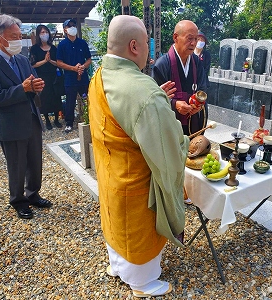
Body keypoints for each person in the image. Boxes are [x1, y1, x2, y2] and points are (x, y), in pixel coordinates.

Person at [88, 15, 189, 297]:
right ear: (134, 46)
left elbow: (125, 115)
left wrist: (154, 99)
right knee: (137, 230)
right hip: (136, 182)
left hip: (110, 174)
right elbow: (166, 150)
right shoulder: (142, 90)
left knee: (116, 224)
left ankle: (119, 267)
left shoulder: (100, 76)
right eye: (147, 42)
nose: (148, 48)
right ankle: (141, 281)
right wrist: (183, 142)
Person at [0, 14, 52, 219]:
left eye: (19, 35)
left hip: (31, 117)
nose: (18, 40)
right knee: (17, 165)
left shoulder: (21, 59)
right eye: (13, 36)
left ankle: (33, 193)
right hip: (10, 123)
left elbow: (32, 81)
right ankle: (18, 200)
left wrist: (37, 86)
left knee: (35, 161)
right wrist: (23, 88)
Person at [152, 20, 209, 137]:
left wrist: (198, 105)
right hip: (170, 125)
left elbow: (203, 87)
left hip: (193, 122)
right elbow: (154, 98)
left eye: (196, 39)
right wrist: (174, 103)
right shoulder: (162, 65)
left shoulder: (197, 62)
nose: (194, 43)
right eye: (189, 38)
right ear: (175, 37)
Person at [57, 18, 92, 133]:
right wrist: (73, 68)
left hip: (83, 77)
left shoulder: (82, 43)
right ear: (65, 30)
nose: (72, 27)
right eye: (69, 26)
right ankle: (69, 123)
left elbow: (89, 59)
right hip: (70, 78)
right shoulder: (62, 45)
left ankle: (91, 119)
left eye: (73, 25)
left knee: (87, 99)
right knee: (70, 101)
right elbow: (59, 62)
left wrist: (83, 66)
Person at [29, 25, 62, 130]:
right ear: (38, 35)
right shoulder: (34, 49)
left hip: (54, 76)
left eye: (46, 32)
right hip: (42, 76)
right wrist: (44, 60)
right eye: (42, 32)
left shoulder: (53, 48)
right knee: (44, 98)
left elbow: (59, 63)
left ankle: (56, 119)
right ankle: (47, 120)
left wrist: (50, 61)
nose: (44, 34)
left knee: (56, 97)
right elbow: (32, 64)